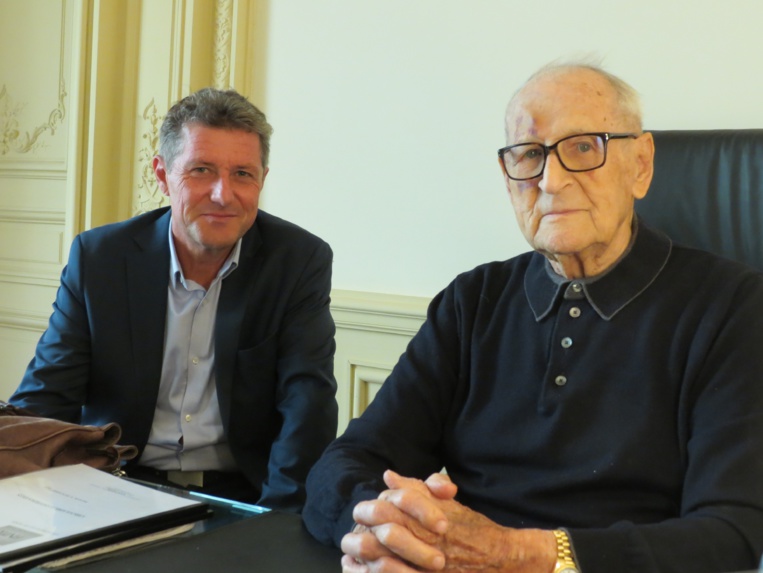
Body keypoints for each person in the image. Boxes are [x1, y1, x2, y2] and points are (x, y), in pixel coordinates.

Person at [302, 63, 763, 572]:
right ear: (507, 177)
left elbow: (731, 534)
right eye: (529, 154)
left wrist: (520, 555)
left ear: (642, 165)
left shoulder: (732, 306)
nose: (552, 179)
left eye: (584, 147)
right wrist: (382, 530)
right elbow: (345, 463)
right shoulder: (472, 301)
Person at [10, 87, 338, 513]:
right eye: (201, 170)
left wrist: (276, 524)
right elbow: (47, 397)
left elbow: (306, 404)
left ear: (262, 180)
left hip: (244, 495)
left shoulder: (297, 260)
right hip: (114, 485)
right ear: (162, 175)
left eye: (243, 174)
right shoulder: (101, 259)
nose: (223, 194)